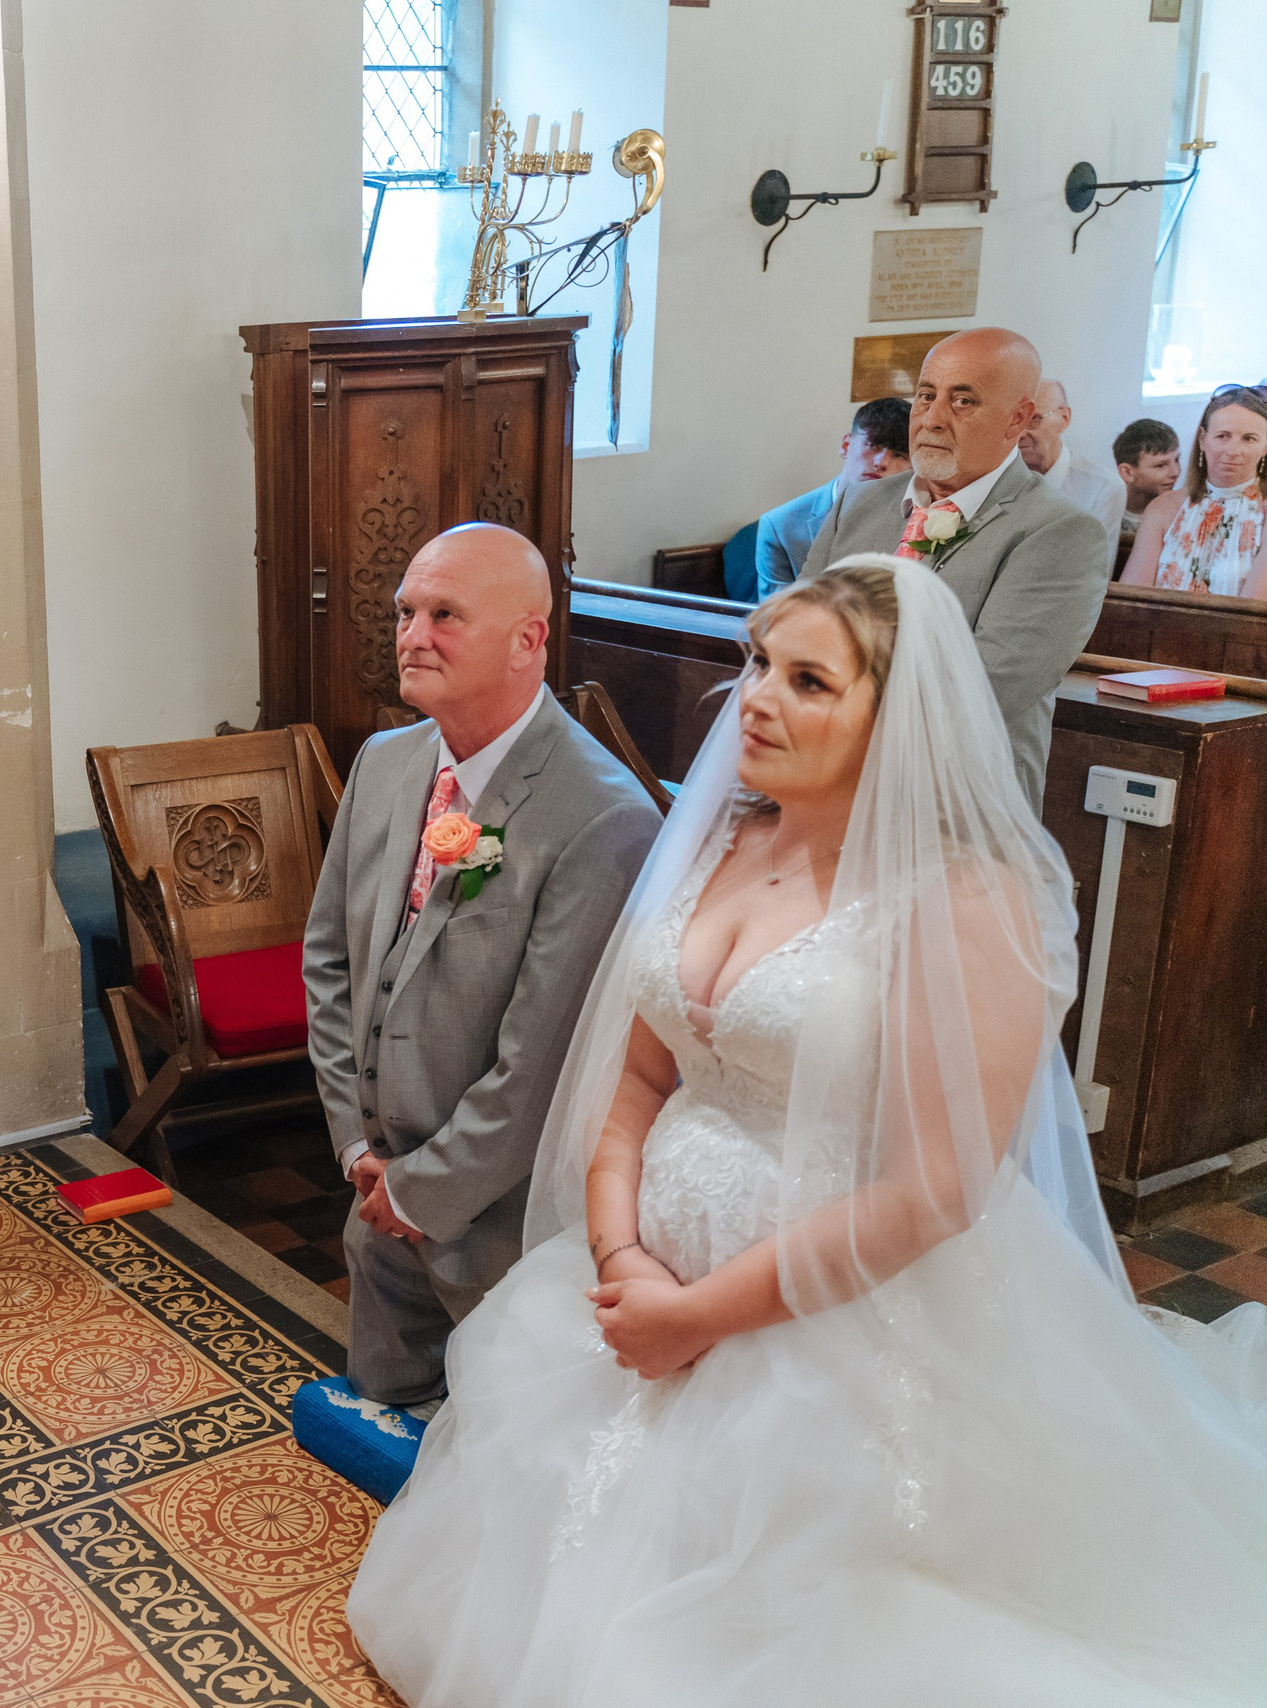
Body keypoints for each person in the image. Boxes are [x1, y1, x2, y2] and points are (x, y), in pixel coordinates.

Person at [346, 555, 1267, 1706]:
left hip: (848, 1315)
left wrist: (699, 1313)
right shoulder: (724, 839)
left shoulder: (968, 899)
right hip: (638, 1286)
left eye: (809, 681)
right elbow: (637, 1079)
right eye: (757, 665)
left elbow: (936, 1189)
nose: (757, 700)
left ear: (898, 719)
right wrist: (624, 1256)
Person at [302, 523, 662, 1410]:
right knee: (378, 1459)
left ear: (528, 639)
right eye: (406, 612)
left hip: (504, 1231)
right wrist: (357, 1147)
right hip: (375, 1200)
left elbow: (541, 1064)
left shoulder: (600, 817)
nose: (413, 634)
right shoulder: (385, 765)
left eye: (446, 614)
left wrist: (424, 1190)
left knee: (497, 1466)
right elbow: (330, 965)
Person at [800, 327, 1107, 809]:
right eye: (926, 395)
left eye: (963, 401)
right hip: (825, 784)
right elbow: (798, 632)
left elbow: (986, 685)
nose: (933, 419)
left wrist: (828, 708)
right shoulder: (859, 504)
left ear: (1017, 419)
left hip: (955, 806)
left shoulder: (1059, 532)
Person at [749, 396, 909, 600]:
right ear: (846, 446)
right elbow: (775, 617)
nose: (881, 462)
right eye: (873, 446)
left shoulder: (914, 518)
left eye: (898, 455)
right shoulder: (779, 526)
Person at [1120, 385, 1267, 601]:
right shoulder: (1163, 508)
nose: (1233, 450)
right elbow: (1130, 599)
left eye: (1249, 439)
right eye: (1223, 436)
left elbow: (1253, 614)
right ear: (1202, 440)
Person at [1017, 378, 1128, 562]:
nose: (1020, 434)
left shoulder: (1102, 488)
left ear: (1064, 419)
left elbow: (1095, 574)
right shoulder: (996, 477)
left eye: (1033, 419)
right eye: (1015, 421)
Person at [1111, 416, 1182, 557]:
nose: (1175, 472)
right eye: (1160, 465)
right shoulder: (1104, 508)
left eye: (1177, 460)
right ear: (1127, 472)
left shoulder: (1182, 511)